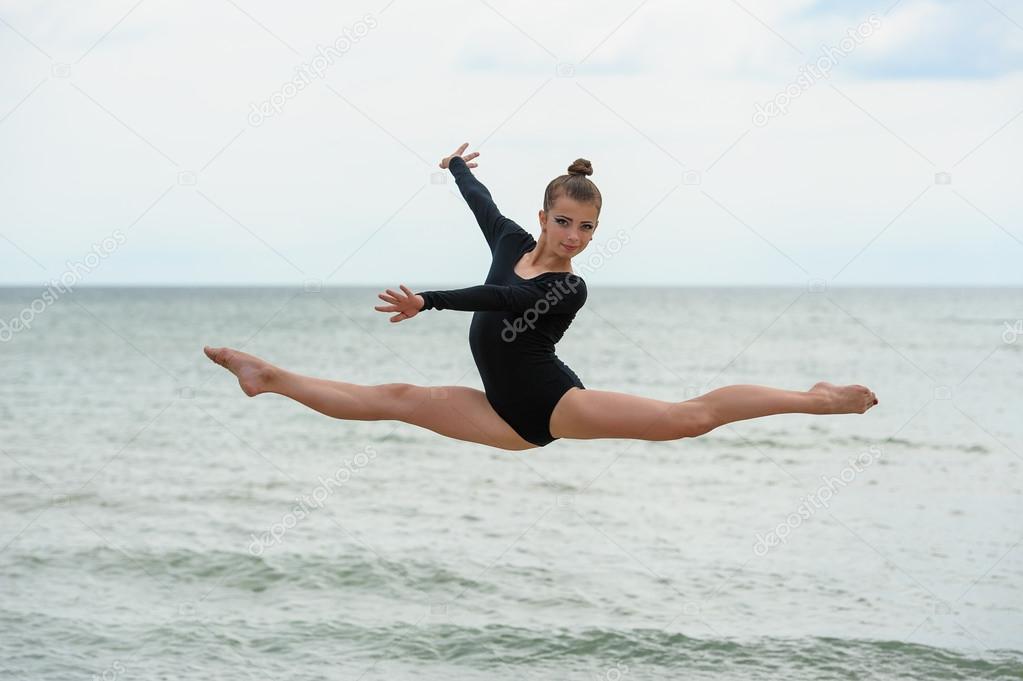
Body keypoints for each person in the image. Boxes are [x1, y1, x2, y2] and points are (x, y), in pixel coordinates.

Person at [204, 143, 877, 451]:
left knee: (687, 419)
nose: (575, 236)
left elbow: (499, 303)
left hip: (555, 405)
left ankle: (816, 398)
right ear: (545, 215)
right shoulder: (508, 240)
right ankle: (268, 376)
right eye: (564, 222)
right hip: (501, 415)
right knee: (395, 400)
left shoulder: (566, 286)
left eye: (587, 227)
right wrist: (458, 167)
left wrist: (429, 301)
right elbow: (482, 206)